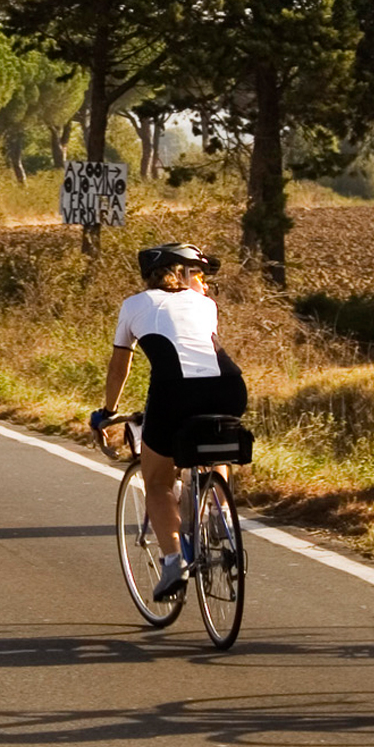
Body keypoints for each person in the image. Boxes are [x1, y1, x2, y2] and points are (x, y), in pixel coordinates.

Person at [90, 242, 247, 602]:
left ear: (147, 277)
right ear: (184, 275)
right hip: (230, 387)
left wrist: (108, 411)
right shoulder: (206, 303)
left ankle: (174, 562)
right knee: (212, 442)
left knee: (158, 481)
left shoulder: (133, 305)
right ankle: (214, 511)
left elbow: (120, 365)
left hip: (174, 392)